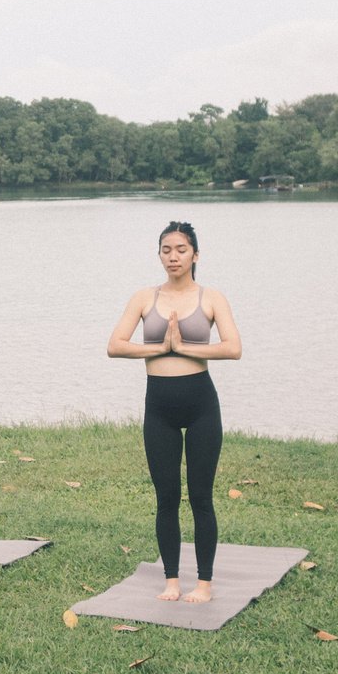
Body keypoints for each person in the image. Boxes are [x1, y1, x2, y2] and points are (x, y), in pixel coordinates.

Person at [107, 220, 241, 603]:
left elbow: (233, 347)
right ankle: (170, 580)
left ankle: (204, 583)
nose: (173, 256)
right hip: (159, 406)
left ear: (195, 255)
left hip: (201, 405)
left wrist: (185, 349)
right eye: (167, 250)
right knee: (166, 496)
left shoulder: (211, 297)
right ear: (160, 255)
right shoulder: (144, 298)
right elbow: (115, 345)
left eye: (181, 249)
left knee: (201, 496)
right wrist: (161, 349)